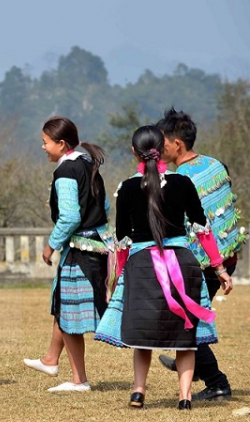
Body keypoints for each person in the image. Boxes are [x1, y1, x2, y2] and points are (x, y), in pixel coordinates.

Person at [94, 125, 232, 410]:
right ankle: (184, 398)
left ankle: (138, 391)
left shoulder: (128, 187)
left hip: (143, 266)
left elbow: (122, 239)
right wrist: (218, 267)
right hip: (183, 264)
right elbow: (203, 229)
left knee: (144, 333)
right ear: (163, 149)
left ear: (135, 151)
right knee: (185, 335)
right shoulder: (183, 183)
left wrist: (121, 275)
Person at [155, 108, 246, 401]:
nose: (159, 148)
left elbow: (189, 225)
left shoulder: (178, 178)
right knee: (185, 318)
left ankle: (215, 381)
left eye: (163, 142)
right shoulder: (215, 165)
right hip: (226, 256)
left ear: (177, 144)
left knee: (185, 321)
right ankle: (191, 365)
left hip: (204, 261)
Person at [22, 117, 110, 392]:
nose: (43, 147)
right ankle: (50, 359)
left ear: (61, 144)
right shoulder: (87, 163)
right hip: (96, 244)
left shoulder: (66, 172)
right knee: (63, 304)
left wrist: (52, 244)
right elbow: (104, 205)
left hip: (79, 250)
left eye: (46, 143)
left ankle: (79, 380)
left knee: (70, 313)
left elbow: (70, 216)